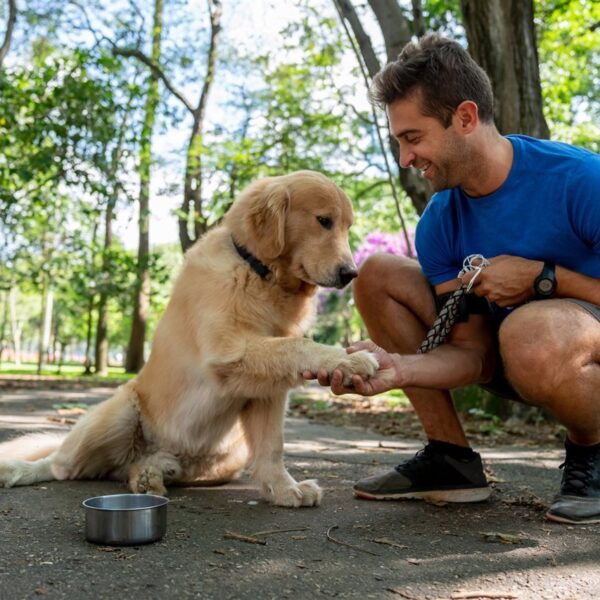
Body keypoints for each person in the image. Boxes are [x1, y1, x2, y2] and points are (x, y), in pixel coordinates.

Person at [304, 33, 600, 524]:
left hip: (570, 345)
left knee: (531, 333)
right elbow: (474, 352)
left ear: (464, 118)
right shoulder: (440, 219)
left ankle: (592, 452)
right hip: (514, 354)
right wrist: (398, 369)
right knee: (376, 274)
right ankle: (451, 460)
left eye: (413, 138)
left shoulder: (581, 181)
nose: (405, 160)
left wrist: (545, 279)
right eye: (398, 142)